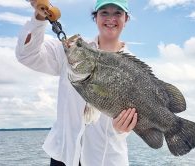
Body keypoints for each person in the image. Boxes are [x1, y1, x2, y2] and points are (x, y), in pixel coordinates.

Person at [16, 0, 137, 165]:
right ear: (95, 18)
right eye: (104, 13)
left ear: (126, 19)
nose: (111, 18)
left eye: (117, 13)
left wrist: (122, 129)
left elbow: (133, 117)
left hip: (106, 159)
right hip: (64, 155)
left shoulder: (134, 68)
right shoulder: (74, 48)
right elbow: (27, 55)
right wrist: (38, 18)